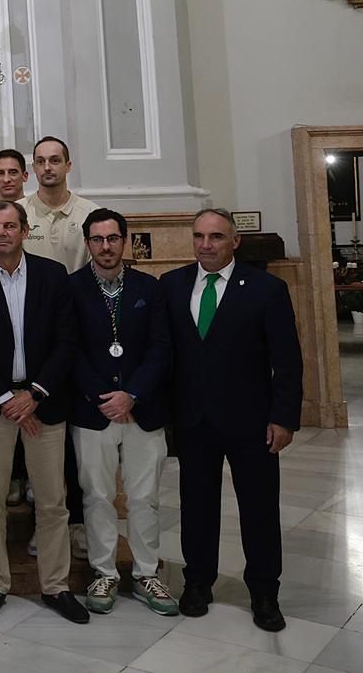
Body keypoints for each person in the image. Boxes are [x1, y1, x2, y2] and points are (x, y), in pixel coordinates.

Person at [163, 209, 303, 632]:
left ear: (235, 242)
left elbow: (288, 360)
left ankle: (263, 591)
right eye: (200, 236)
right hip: (193, 421)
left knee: (259, 509)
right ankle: (198, 583)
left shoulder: (267, 289)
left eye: (217, 237)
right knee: (197, 506)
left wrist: (283, 418)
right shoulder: (171, 286)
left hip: (251, 422)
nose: (206, 244)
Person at [0, 200, 86, 624]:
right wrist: (5, 398)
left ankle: (56, 586)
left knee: (52, 500)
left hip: (43, 400)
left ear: (25, 230)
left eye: (10, 226)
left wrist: (35, 393)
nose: (2, 233)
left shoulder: (52, 274)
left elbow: (67, 340)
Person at [68, 209, 177, 616]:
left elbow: (161, 348)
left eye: (113, 238)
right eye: (97, 239)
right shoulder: (72, 288)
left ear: (125, 241)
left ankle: (147, 572)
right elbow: (69, 350)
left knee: (144, 496)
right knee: (96, 495)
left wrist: (131, 394)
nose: (106, 246)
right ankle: (104, 572)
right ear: (88, 243)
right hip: (93, 411)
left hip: (142, 410)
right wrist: (105, 396)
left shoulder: (149, 287)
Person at [23, 137, 101, 272]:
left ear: (68, 166)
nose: (47, 167)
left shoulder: (92, 214)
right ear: (34, 168)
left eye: (55, 160)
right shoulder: (18, 212)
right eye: (40, 162)